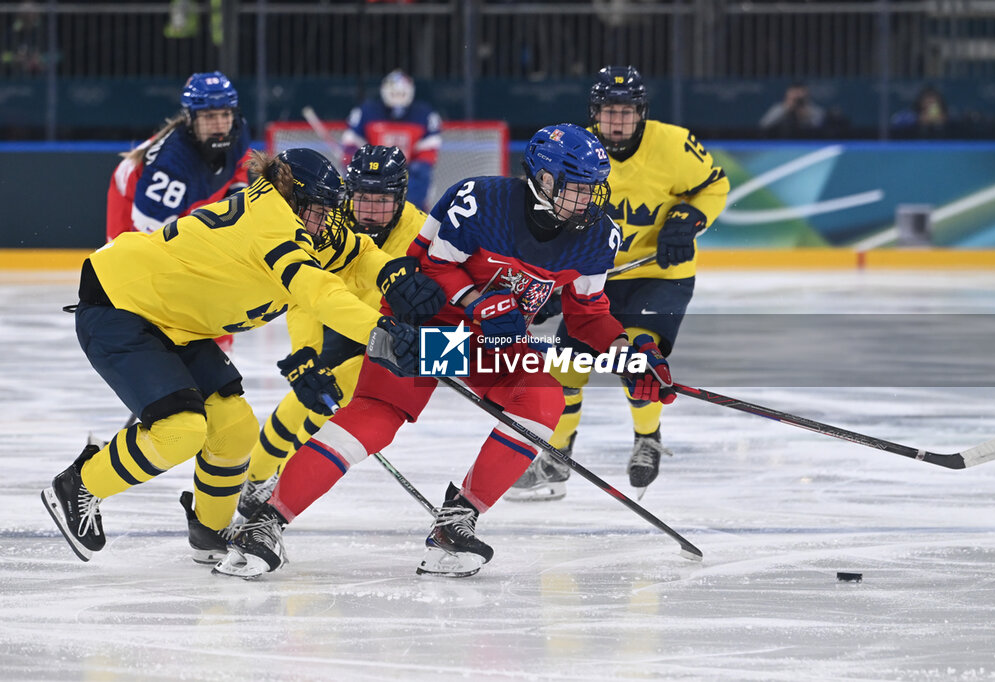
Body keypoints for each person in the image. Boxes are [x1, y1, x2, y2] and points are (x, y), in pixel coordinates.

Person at [214, 123, 677, 580]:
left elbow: (588, 314)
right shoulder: (481, 200)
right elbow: (429, 271)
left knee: (542, 399)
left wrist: (632, 353)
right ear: (545, 179)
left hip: (488, 342)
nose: (592, 201)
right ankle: (265, 522)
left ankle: (456, 523)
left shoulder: (598, 237)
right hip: (426, 328)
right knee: (373, 419)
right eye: (579, 189)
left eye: (595, 189)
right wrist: (478, 300)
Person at [41, 148, 443, 566]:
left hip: (175, 318)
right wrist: (381, 334)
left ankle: (209, 531)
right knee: (181, 431)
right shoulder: (271, 225)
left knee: (236, 428)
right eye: (319, 212)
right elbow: (317, 292)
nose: (326, 223)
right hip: (122, 303)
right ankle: (80, 485)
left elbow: (356, 251)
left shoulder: (304, 218)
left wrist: (389, 273)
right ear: (296, 200)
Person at [509, 66, 730, 502]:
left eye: (626, 111)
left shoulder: (674, 145)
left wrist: (688, 218)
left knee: (637, 355)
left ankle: (647, 438)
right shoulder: (575, 150)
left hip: (658, 272)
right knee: (566, 368)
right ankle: (556, 456)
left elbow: (714, 185)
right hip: (592, 273)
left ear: (641, 113)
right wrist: (548, 277)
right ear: (595, 112)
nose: (617, 121)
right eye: (609, 111)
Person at [237, 144, 427, 517]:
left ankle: (282, 483)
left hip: (390, 328)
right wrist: (305, 352)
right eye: (362, 199)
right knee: (301, 402)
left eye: (382, 201)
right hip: (335, 318)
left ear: (402, 195)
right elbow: (300, 291)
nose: (370, 212)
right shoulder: (325, 218)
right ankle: (257, 480)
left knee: (334, 398)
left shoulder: (421, 232)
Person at [106, 71, 254, 352]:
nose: (220, 124)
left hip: (186, 202)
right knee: (139, 291)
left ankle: (214, 343)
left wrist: (236, 195)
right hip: (134, 210)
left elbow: (240, 163)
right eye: (209, 117)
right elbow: (147, 246)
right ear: (191, 119)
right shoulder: (169, 167)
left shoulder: (238, 129)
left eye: (225, 114)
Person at [340, 69, 441, 211]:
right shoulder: (366, 112)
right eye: (394, 93)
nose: (398, 98)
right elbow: (352, 145)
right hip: (372, 173)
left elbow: (428, 154)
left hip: (409, 175)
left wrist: (408, 176)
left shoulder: (424, 115)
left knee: (420, 180)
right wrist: (357, 164)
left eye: (402, 93)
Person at [759, 82, 826, 138]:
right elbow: (764, 125)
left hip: (808, 143)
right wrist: (786, 108)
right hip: (782, 143)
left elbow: (820, 127)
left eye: (800, 93)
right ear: (788, 94)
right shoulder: (779, 108)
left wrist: (806, 115)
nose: (797, 96)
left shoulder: (815, 109)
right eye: (794, 93)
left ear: (806, 94)